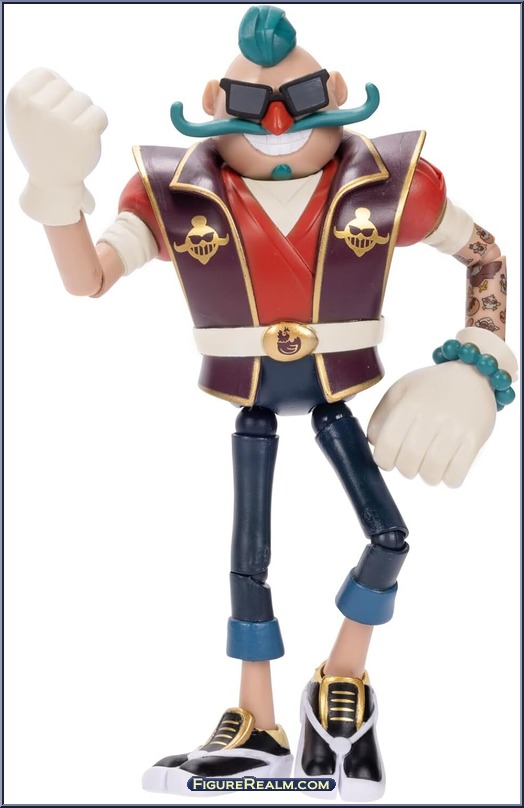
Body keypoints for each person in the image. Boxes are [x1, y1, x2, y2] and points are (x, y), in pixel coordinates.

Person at [6, 5, 517, 802]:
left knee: (389, 536)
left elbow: (486, 256)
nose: (277, 123)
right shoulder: (177, 193)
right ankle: (257, 724)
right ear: (215, 103)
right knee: (249, 559)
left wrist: (477, 362)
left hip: (335, 393)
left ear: (335, 92)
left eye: (301, 98)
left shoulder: (385, 184)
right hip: (251, 403)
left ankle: (341, 683)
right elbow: (88, 279)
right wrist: (57, 191)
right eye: (250, 105)